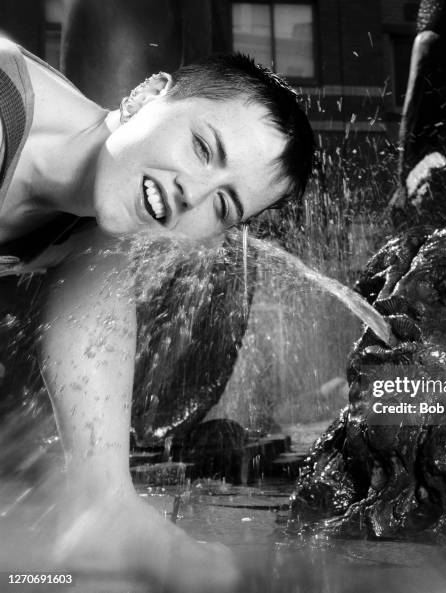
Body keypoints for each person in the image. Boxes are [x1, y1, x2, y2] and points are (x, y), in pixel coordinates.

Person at [0, 35, 314, 591]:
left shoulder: (92, 230)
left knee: (101, 253)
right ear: (148, 95)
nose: (192, 197)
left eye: (223, 205)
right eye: (202, 148)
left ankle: (107, 507)